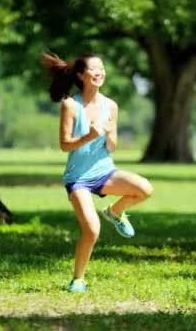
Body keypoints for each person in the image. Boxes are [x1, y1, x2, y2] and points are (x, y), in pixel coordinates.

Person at [41, 52, 153, 293]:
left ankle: (114, 212)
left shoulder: (110, 105)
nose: (99, 72)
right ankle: (78, 279)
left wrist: (110, 134)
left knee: (145, 188)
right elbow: (64, 145)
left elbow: (112, 146)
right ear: (81, 75)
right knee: (91, 230)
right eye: (94, 68)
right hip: (78, 177)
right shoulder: (71, 105)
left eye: (102, 68)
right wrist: (89, 136)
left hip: (104, 172)